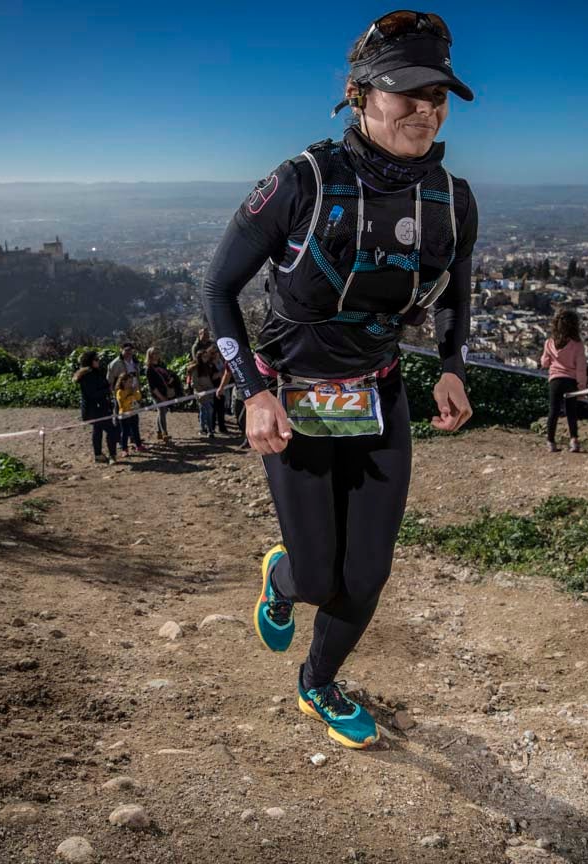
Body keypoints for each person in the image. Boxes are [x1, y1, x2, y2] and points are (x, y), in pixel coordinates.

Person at [201, 9, 476, 749]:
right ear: (360, 95)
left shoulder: (451, 198)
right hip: (292, 397)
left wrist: (449, 369)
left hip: (380, 391)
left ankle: (318, 683)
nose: (425, 110)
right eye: (407, 94)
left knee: (371, 571)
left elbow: (456, 293)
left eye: (437, 96)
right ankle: (284, 577)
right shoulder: (301, 182)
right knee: (320, 576)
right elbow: (217, 290)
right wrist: (251, 391)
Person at [539, 309, 587, 453]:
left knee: (553, 411)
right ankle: (574, 441)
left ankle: (550, 442)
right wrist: (582, 387)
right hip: (570, 381)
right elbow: (581, 368)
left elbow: (544, 363)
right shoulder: (577, 345)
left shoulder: (549, 343)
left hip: (554, 380)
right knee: (571, 411)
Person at [73, 351, 117, 464]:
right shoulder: (88, 376)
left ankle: (98, 455)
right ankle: (112, 455)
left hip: (100, 408)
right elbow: (92, 394)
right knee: (111, 430)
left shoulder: (96, 372)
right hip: (95, 409)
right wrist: (108, 390)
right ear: (90, 361)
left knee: (97, 430)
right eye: (96, 359)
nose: (99, 361)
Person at [144, 347, 178, 443]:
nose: (157, 355)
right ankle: (164, 433)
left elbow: (166, 376)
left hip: (165, 391)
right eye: (154, 353)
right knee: (162, 412)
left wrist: (170, 380)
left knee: (162, 412)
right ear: (150, 355)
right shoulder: (149, 369)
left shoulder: (162, 365)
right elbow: (152, 386)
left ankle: (159, 432)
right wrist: (161, 397)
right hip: (156, 394)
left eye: (158, 352)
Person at [114, 372, 144, 453]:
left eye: (132, 381)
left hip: (134, 413)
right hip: (124, 415)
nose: (131, 383)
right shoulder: (119, 392)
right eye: (129, 382)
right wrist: (131, 397)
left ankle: (139, 445)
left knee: (135, 430)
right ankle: (124, 449)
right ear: (123, 382)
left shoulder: (132, 389)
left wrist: (135, 391)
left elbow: (138, 397)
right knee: (125, 433)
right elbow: (122, 404)